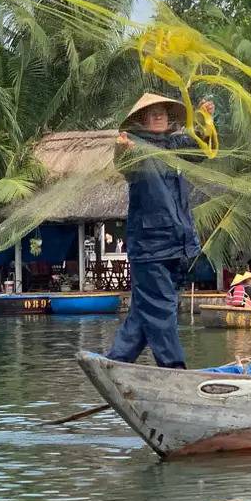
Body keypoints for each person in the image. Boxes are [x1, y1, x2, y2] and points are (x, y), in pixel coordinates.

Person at [106, 92, 214, 369]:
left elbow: (202, 147)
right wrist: (122, 149)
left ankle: (118, 362)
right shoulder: (135, 146)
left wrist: (205, 119)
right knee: (162, 306)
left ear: (168, 119)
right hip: (150, 246)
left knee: (146, 309)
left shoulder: (174, 144)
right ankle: (173, 369)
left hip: (177, 242)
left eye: (162, 112)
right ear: (142, 119)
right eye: (151, 113)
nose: (157, 116)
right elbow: (123, 162)